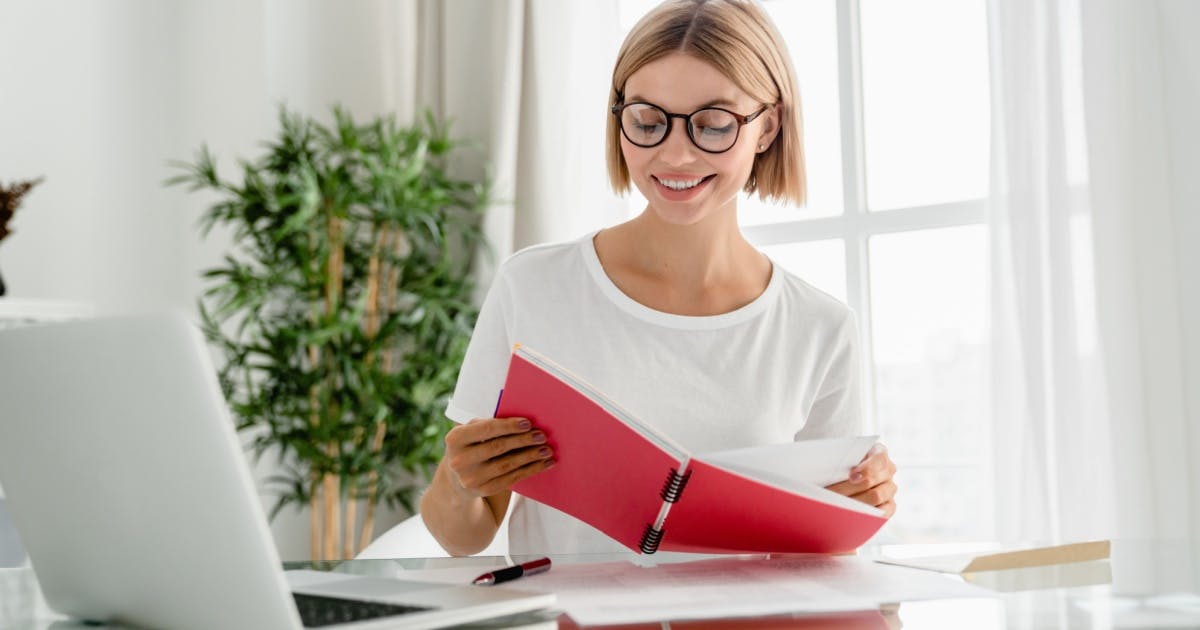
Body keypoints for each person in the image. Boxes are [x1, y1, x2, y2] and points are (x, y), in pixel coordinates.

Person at [420, 0, 897, 556]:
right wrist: (458, 482)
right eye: (647, 121)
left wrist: (861, 506)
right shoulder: (535, 286)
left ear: (767, 127)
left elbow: (820, 555)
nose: (674, 154)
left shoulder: (820, 327)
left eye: (713, 125)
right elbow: (461, 537)